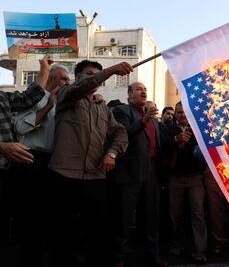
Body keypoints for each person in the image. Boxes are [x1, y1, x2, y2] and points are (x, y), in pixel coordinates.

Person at [48, 60, 131, 267]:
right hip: (64, 176)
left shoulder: (102, 107)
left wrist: (111, 152)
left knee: (98, 233)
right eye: (89, 74)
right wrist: (111, 71)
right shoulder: (67, 95)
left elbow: (120, 133)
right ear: (77, 77)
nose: (95, 79)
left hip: (95, 178)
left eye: (98, 75)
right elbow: (82, 87)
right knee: (63, 236)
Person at [13, 62, 70, 267]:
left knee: (53, 219)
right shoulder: (34, 97)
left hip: (54, 163)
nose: (68, 82)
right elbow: (19, 126)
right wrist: (47, 108)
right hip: (30, 160)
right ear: (51, 78)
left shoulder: (66, 102)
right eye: (64, 78)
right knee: (30, 219)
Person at [110, 82, 167, 267]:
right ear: (129, 95)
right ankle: (120, 257)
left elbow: (159, 146)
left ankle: (153, 253)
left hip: (151, 173)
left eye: (145, 89)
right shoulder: (122, 111)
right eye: (138, 89)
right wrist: (143, 121)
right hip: (129, 173)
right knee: (125, 218)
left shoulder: (155, 119)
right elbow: (122, 134)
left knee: (151, 216)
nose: (143, 91)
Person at [0, 54, 47, 244]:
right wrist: (1, 147)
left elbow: (29, 97)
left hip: (6, 172)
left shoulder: (2, 96)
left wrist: (44, 69)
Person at [162, 101, 208, 264]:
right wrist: (176, 140)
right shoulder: (168, 129)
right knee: (175, 214)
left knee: (198, 213)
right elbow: (162, 146)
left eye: (184, 112)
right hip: (175, 178)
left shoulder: (198, 128)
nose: (182, 115)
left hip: (195, 178)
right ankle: (176, 243)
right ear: (175, 114)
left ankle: (200, 250)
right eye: (179, 112)